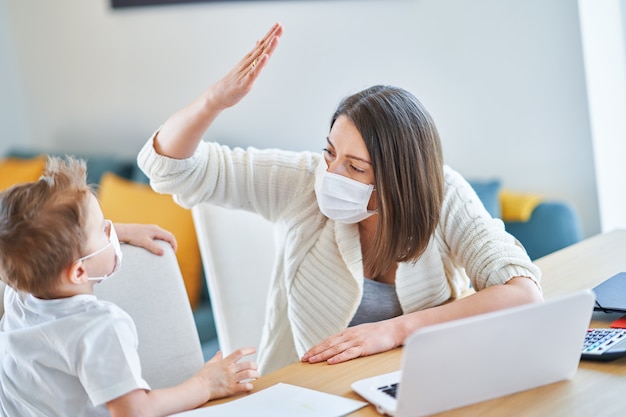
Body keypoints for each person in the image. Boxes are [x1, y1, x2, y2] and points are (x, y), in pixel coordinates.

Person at [137, 22, 543, 375]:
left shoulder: (444, 193)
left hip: (418, 381)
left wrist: (394, 330)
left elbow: (522, 293)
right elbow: (169, 169)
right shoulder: (303, 182)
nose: (331, 176)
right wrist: (213, 102)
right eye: (330, 152)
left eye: (356, 167)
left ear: (401, 180)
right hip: (305, 390)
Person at [0, 156, 259, 417]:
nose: (111, 232)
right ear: (79, 271)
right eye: (103, 229)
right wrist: (206, 384)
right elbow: (134, 411)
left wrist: (121, 231)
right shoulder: (99, 328)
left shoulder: (21, 293)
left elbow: (45, 249)